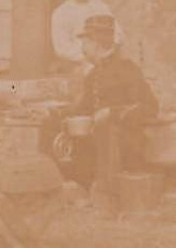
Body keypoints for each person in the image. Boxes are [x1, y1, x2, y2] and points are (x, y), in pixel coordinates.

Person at [67, 14, 158, 187]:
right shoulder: (93, 74)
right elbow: (82, 110)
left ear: (96, 43)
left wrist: (112, 112)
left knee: (104, 129)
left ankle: (105, 193)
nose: (82, 49)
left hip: (124, 145)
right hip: (96, 145)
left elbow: (150, 107)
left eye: (84, 43)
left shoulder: (127, 69)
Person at [50, 0, 121, 71]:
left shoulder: (100, 6)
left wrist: (108, 52)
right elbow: (61, 47)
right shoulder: (61, 13)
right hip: (80, 62)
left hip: (108, 57)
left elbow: (118, 32)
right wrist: (90, 56)